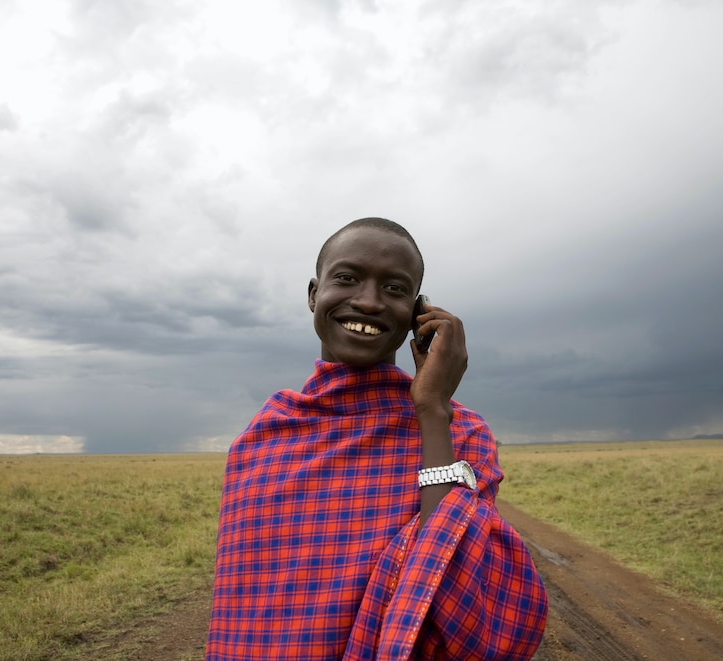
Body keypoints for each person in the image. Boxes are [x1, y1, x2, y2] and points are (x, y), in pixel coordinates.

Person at [205, 218, 548, 660]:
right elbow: (243, 611)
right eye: (347, 279)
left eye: (394, 289)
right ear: (314, 294)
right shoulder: (262, 440)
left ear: (417, 313)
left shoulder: (456, 430)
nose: (368, 302)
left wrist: (431, 409)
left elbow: (453, 587)